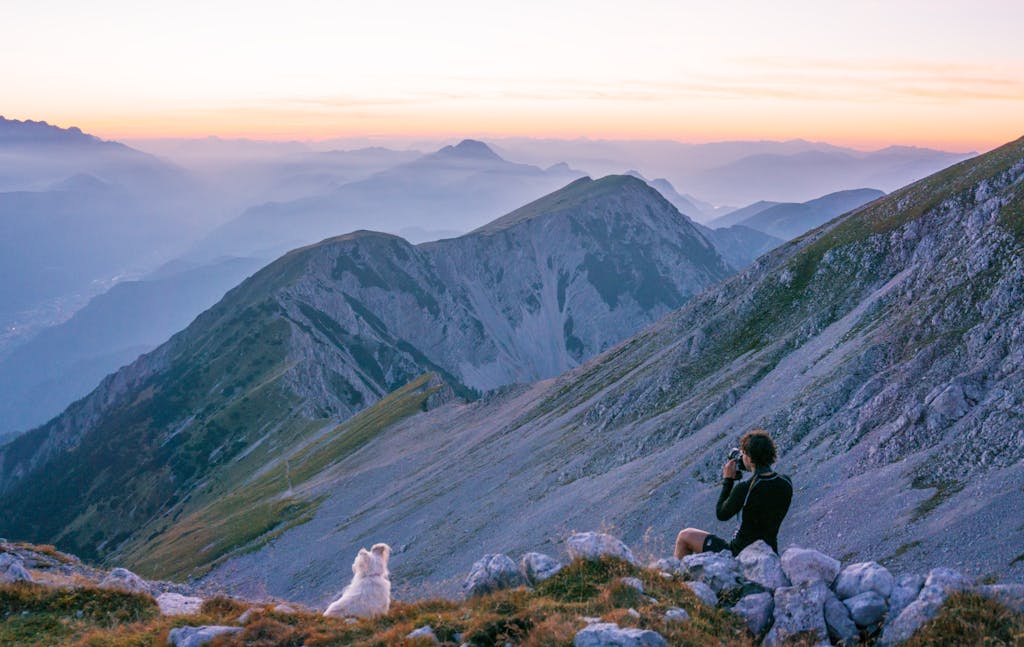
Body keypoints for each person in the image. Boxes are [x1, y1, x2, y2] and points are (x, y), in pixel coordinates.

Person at [674, 429, 792, 558]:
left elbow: (721, 514)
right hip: (770, 552)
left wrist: (728, 481)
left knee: (685, 536)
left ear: (750, 457)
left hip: (739, 553)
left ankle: (677, 577)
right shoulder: (786, 482)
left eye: (744, 454)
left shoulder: (746, 488)